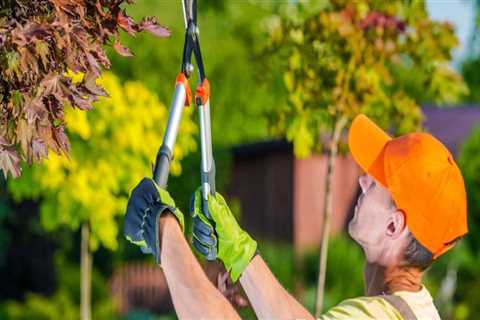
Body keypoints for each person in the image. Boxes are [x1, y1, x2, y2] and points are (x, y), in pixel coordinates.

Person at [124, 114, 468, 319]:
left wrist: (163, 229)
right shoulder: (416, 311)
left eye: (376, 181)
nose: (363, 179)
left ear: (395, 225)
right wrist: (235, 257)